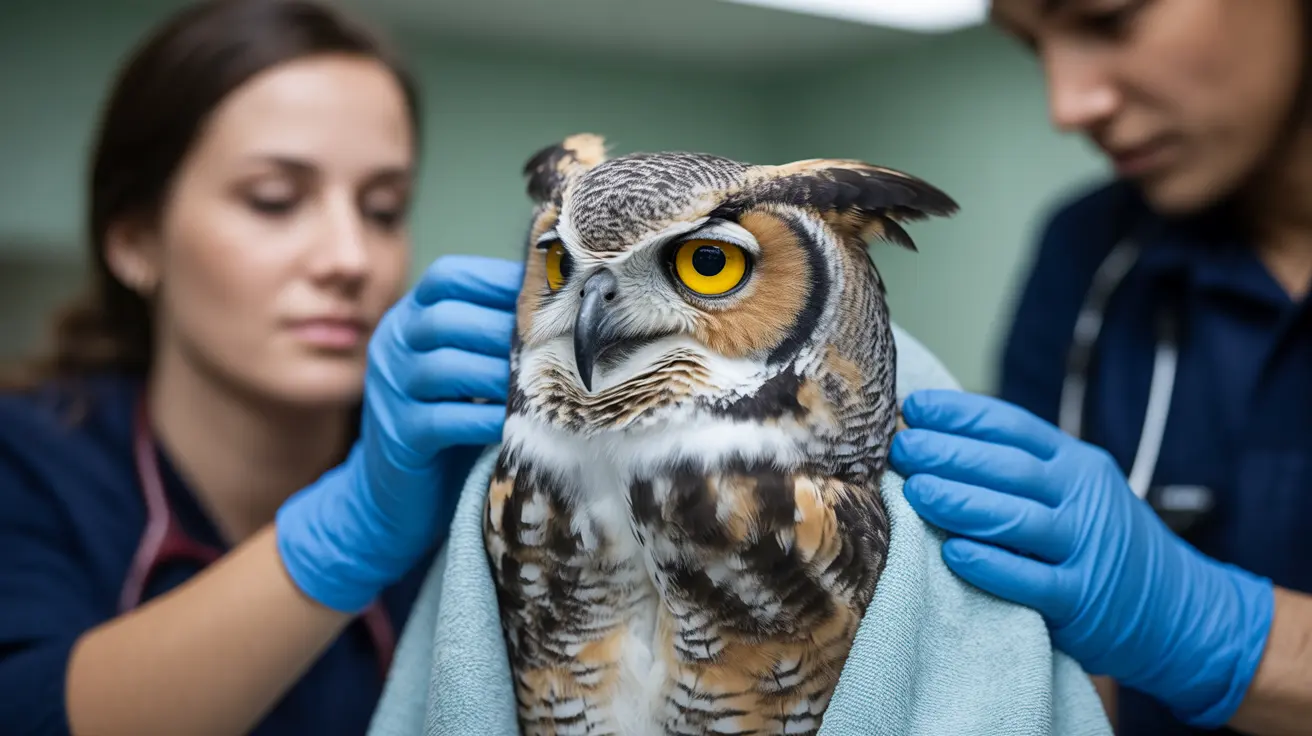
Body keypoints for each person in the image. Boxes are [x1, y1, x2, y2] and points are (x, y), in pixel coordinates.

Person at [0, 1, 522, 734]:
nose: (349, 258)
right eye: (274, 201)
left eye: (382, 208)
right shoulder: (26, 461)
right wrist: (353, 526)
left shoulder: (463, 486)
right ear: (134, 242)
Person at [890, 1, 1312, 735]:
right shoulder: (1090, 256)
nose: (1069, 104)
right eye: (1031, 47)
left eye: (1108, 18)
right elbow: (1058, 655)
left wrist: (1215, 629)